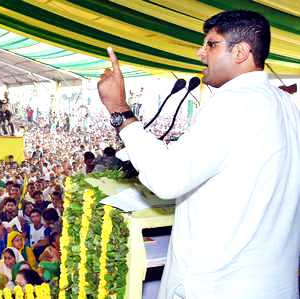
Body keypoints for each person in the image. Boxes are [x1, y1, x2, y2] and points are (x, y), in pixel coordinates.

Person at [98, 10, 300, 299]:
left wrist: (120, 109)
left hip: (221, 286)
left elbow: (167, 178)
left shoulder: (233, 104)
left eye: (211, 44)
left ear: (241, 52)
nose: (200, 52)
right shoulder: (286, 104)